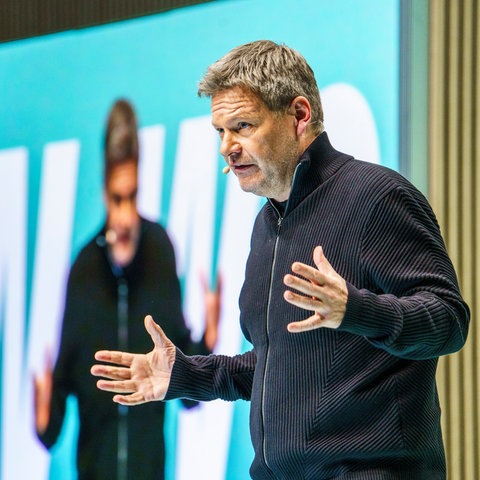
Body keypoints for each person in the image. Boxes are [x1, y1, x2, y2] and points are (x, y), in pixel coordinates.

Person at [91, 41, 470, 479]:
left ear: (300, 116)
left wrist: (356, 309)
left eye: (243, 126)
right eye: (221, 132)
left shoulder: (377, 197)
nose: (227, 148)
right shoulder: (267, 225)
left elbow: (448, 321)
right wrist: (184, 375)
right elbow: (275, 366)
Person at [34, 98, 221, 480]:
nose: (123, 217)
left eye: (132, 197)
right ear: (103, 190)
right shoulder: (83, 267)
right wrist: (44, 412)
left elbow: (184, 384)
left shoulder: (160, 250)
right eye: (117, 199)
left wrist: (208, 340)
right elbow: (60, 395)